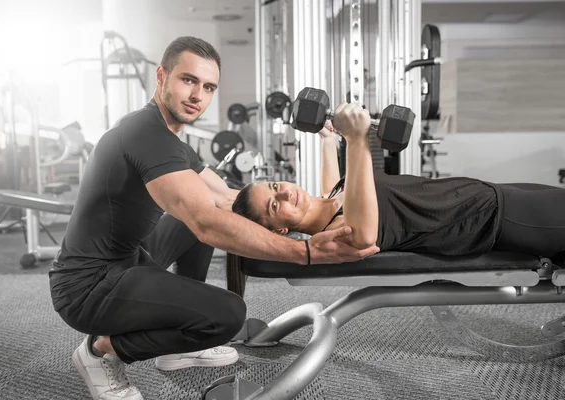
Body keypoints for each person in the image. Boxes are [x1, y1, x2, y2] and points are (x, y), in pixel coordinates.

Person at [48, 37, 377, 400]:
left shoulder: (170, 140)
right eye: (188, 80)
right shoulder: (147, 135)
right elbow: (206, 223)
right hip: (87, 288)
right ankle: (100, 351)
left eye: (208, 87)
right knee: (228, 315)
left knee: (204, 214)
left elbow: (227, 199)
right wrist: (306, 253)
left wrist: (299, 209)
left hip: (126, 259)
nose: (197, 95)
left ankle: (179, 346)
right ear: (162, 77)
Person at [232, 103, 565, 259]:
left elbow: (329, 187)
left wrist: (327, 140)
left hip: (491, 193)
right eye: (275, 206)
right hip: (492, 220)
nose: (287, 194)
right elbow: (364, 237)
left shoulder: (333, 198)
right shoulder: (337, 232)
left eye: (276, 186)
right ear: (279, 231)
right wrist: (358, 139)